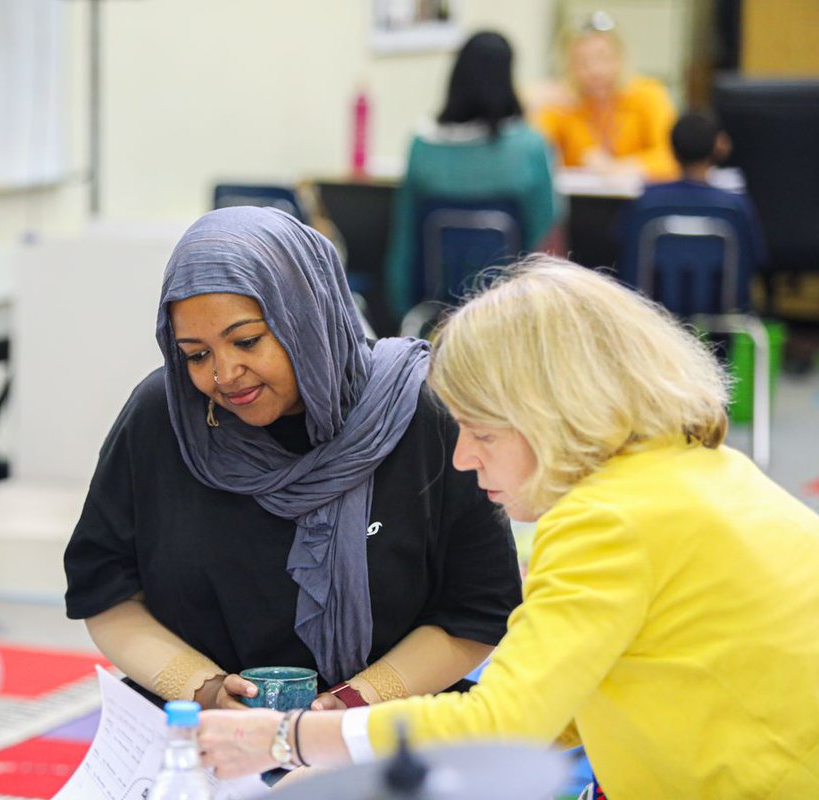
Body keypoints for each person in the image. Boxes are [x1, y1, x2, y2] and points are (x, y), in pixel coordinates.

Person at [196, 256, 819, 798]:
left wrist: (289, 738)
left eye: (482, 432)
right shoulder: (698, 471)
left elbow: (507, 721)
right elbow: (561, 707)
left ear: (556, 417)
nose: (463, 458)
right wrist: (364, 761)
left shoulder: (606, 521)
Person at [63, 207, 521, 717]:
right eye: (195, 354)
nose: (224, 373)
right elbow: (107, 593)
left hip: (386, 731)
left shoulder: (417, 414)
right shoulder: (165, 418)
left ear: (305, 315)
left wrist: (348, 707)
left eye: (247, 341)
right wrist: (204, 690)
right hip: (200, 736)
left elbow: (474, 612)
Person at [385, 30, 558, 324]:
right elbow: (547, 242)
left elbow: (404, 238)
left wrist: (402, 308)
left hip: (433, 308)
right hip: (512, 312)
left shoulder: (422, 147)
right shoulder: (529, 148)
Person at [621, 109, 767, 310]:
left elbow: (626, 255)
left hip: (655, 315)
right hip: (721, 314)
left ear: (671, 149)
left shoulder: (646, 203)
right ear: (720, 146)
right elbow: (756, 259)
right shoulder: (734, 207)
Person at [534, 12, 677, 181]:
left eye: (603, 57)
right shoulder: (561, 104)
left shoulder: (648, 94)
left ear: (621, 57)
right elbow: (537, 159)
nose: (595, 70)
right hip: (581, 201)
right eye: (582, 61)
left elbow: (671, 157)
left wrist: (622, 167)